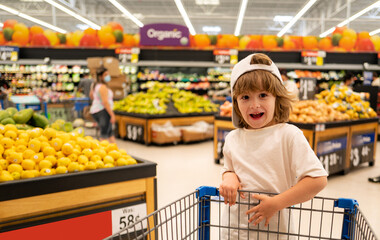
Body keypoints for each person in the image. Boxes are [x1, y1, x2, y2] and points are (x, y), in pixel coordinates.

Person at [219, 53, 328, 238]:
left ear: (277, 98)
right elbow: (229, 169)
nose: (254, 104)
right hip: (234, 230)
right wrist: (229, 177)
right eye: (245, 97)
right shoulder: (233, 138)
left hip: (274, 231)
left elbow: (317, 179)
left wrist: (277, 203)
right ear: (236, 103)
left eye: (263, 95)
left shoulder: (289, 135)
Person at [89, 67, 116, 143]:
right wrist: (112, 114)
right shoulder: (103, 87)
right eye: (106, 75)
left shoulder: (95, 85)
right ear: (101, 77)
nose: (108, 76)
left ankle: (115, 150)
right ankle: (102, 152)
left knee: (109, 132)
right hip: (103, 111)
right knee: (104, 134)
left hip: (96, 110)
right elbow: (105, 102)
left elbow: (91, 96)